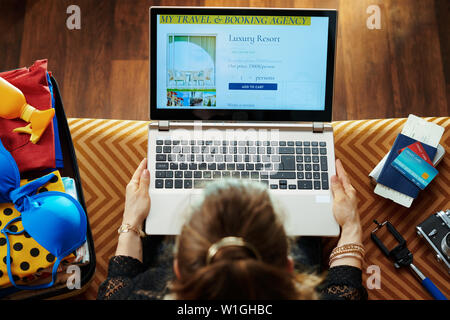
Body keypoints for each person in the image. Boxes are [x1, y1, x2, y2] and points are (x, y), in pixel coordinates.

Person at [97, 158, 367, 300]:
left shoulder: (140, 294)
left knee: (155, 234)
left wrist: (132, 221)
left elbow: (119, 282)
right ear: (288, 268)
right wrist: (351, 225)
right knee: (310, 236)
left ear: (178, 269)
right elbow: (345, 288)